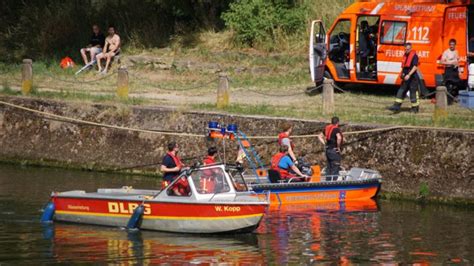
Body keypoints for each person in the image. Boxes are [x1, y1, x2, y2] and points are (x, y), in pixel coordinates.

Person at [388, 43, 421, 113]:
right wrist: (402, 73)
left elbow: (415, 67)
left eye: (408, 49)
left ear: (411, 48)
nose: (406, 50)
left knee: (413, 93)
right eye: (405, 49)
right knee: (401, 90)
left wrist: (409, 75)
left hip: (412, 78)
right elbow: (404, 66)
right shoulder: (405, 55)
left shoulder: (415, 56)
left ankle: (415, 108)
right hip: (405, 77)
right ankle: (396, 106)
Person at [318, 117, 343, 181]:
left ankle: (328, 183)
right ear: (337, 123)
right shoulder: (336, 129)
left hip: (328, 150)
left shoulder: (327, 128)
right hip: (334, 151)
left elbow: (319, 136)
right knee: (335, 168)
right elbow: (339, 138)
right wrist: (338, 147)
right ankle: (333, 185)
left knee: (329, 168)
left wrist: (324, 144)